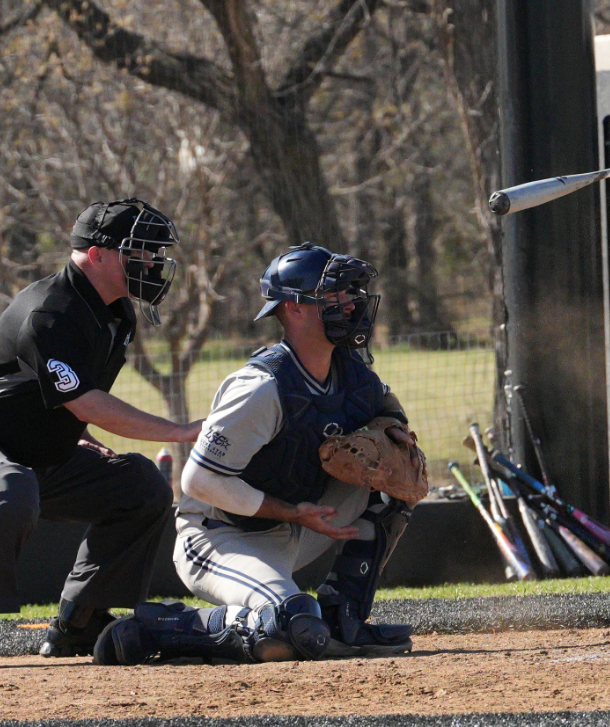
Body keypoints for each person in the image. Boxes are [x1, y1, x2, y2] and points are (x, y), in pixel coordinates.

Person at [92, 245, 419, 665]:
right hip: (218, 537)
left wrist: (393, 433)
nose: (351, 303)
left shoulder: (356, 378)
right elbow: (199, 483)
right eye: (335, 295)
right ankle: (160, 627)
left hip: (295, 525)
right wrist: (291, 512)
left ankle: (345, 618)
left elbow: (396, 442)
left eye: (352, 293)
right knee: (290, 628)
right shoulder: (261, 387)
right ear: (295, 309)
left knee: (397, 482)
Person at [0, 199, 199, 657]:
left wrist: (80, 434)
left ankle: (79, 621)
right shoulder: (50, 311)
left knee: (141, 486)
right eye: (139, 252)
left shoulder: (116, 311)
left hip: (39, 454)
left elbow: (70, 398)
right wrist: (182, 431)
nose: (152, 263)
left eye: (153, 253)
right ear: (98, 254)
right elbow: (88, 401)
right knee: (10, 488)